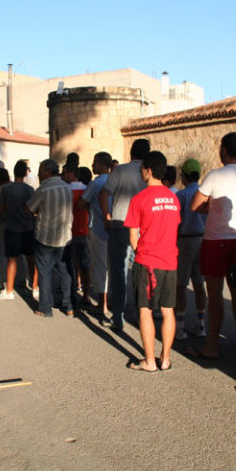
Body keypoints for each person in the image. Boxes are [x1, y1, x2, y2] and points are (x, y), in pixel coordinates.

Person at [190, 132, 236, 357]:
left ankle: (212, 345)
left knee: (215, 296)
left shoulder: (214, 175)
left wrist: (211, 208)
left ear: (224, 149)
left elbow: (195, 206)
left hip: (215, 240)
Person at [124, 151, 180, 372]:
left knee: (145, 310)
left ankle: (149, 361)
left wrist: (142, 255)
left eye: (142, 169)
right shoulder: (173, 198)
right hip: (170, 261)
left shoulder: (139, 198)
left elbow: (132, 236)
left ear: (148, 170)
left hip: (147, 262)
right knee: (168, 310)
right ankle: (165, 359)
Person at [99, 139, 149, 330]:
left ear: (131, 152)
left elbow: (104, 194)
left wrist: (106, 216)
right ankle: (140, 314)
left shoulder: (119, 170)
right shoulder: (148, 173)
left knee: (118, 272)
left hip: (120, 223)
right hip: (142, 228)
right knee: (140, 272)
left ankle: (118, 316)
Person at [26, 159, 73, 318]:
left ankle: (46, 308)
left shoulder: (43, 189)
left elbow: (29, 208)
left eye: (40, 170)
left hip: (45, 237)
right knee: (65, 272)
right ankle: (69, 306)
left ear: (47, 171)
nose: (38, 174)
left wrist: (37, 212)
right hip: (65, 237)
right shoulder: (67, 187)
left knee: (45, 272)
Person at [174, 159, 207, 339]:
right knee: (199, 283)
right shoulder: (205, 194)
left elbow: (177, 221)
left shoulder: (181, 195)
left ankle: (180, 327)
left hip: (185, 240)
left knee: (181, 284)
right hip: (202, 239)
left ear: (184, 176)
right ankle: (201, 324)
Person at [0, 160, 37, 300]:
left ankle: (9, 291)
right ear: (26, 173)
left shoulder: (6, 189)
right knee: (31, 259)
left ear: (13, 172)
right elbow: (33, 208)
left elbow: (2, 208)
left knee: (11, 260)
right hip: (28, 228)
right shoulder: (29, 190)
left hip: (12, 228)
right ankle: (35, 287)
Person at [78, 151, 113, 320]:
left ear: (102, 164)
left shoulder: (96, 183)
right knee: (113, 267)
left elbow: (82, 203)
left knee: (99, 267)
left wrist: (93, 210)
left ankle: (102, 304)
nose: (92, 166)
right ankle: (112, 302)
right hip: (115, 229)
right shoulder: (115, 180)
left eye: (95, 162)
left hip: (98, 228)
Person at [61, 163, 90, 306]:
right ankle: (86, 295)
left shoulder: (65, 190)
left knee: (69, 266)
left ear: (72, 174)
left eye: (65, 173)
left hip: (68, 232)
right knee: (85, 265)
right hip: (84, 231)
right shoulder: (86, 189)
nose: (63, 176)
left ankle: (71, 295)